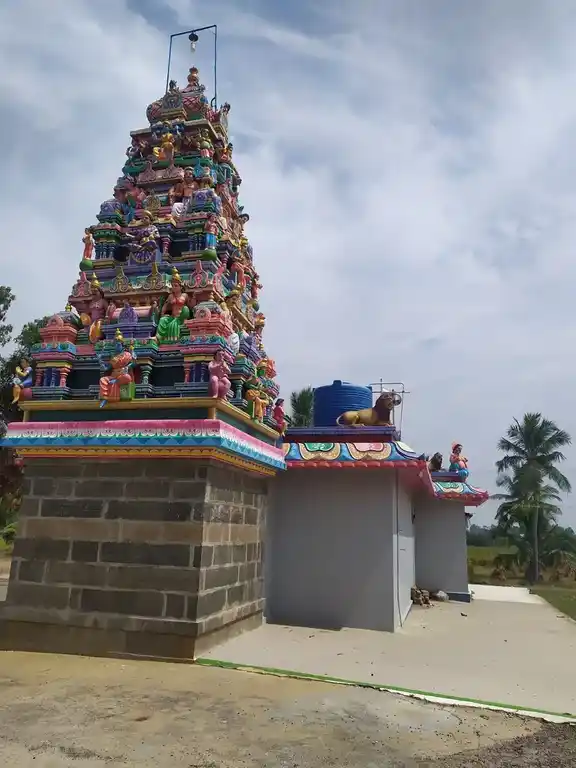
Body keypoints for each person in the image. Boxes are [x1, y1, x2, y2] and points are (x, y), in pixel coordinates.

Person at [156, 269, 190, 342]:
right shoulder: (170, 296)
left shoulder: (185, 295)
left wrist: (194, 297)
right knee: (163, 320)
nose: (174, 287)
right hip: (173, 317)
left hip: (181, 318)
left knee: (174, 324)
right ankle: (158, 338)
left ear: (181, 287)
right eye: (172, 286)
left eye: (176, 286)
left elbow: (189, 306)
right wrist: (162, 314)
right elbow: (165, 306)